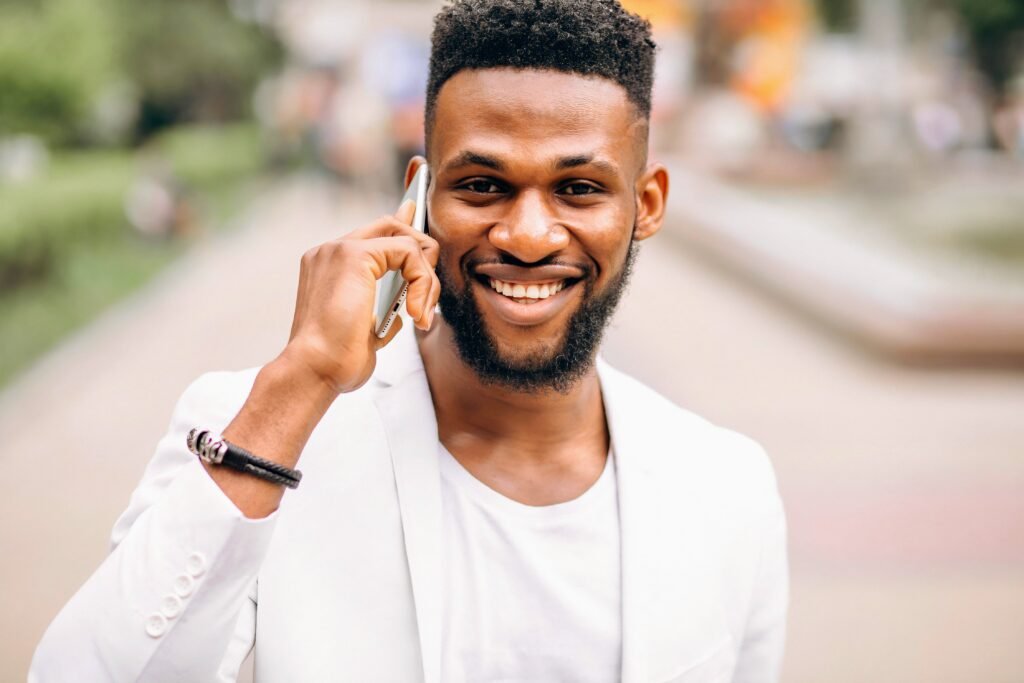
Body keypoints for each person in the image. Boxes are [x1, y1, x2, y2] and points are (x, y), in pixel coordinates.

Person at [30, 1, 787, 681]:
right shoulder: (260, 428)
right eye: (482, 185)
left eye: (578, 188)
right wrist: (302, 381)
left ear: (645, 203)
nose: (527, 234)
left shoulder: (727, 486)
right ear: (419, 194)